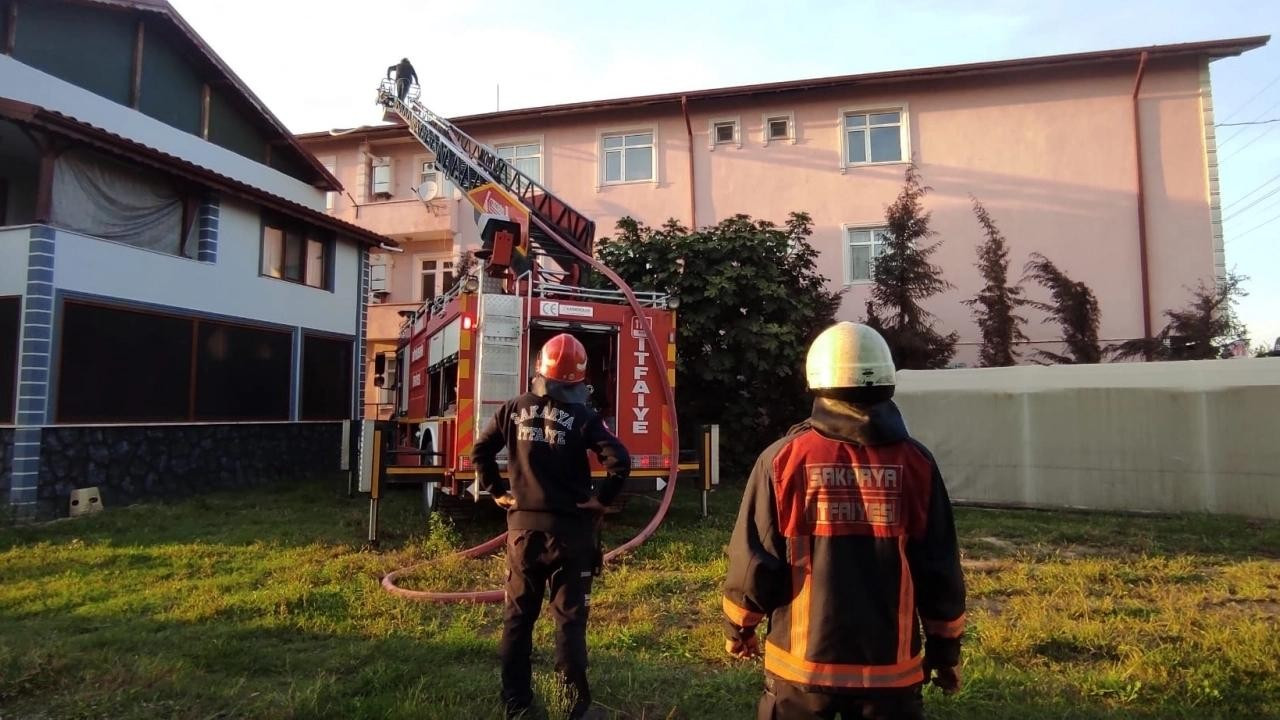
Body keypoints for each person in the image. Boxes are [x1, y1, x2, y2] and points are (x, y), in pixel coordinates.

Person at [722, 322, 966, 720]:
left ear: (817, 380)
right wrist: (945, 653)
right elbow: (939, 569)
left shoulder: (783, 460)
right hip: (890, 678)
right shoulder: (917, 463)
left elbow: (754, 560)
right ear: (886, 381)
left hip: (801, 673)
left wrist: (741, 629)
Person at [472, 333, 631, 720]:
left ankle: (516, 705)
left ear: (538, 370)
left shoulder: (511, 409)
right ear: (578, 379)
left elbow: (480, 451)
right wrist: (601, 500)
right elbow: (620, 460)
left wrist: (497, 491)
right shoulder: (584, 416)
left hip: (522, 533)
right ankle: (572, 708)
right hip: (571, 535)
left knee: (517, 619)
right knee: (570, 620)